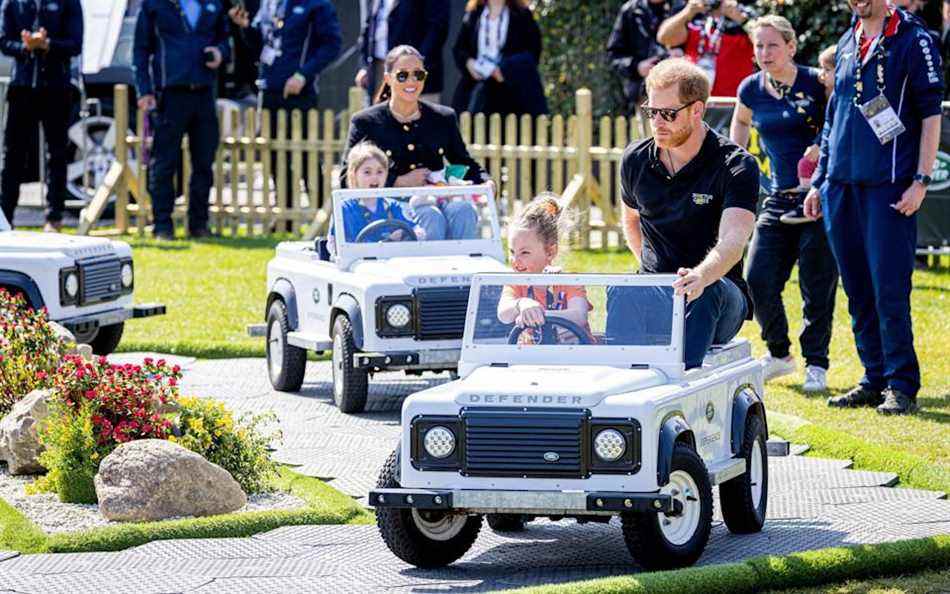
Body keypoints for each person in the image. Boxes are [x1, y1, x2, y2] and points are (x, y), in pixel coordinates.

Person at [804, 0, 943, 415]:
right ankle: (874, 377)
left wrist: (920, 181)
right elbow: (834, 117)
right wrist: (820, 181)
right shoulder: (848, 40)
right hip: (840, 186)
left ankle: (902, 384)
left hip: (889, 187)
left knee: (889, 290)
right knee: (857, 289)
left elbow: (931, 116)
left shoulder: (914, 40)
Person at [615, 58, 758, 369]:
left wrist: (700, 276)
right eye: (652, 112)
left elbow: (734, 242)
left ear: (697, 110)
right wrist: (650, 269)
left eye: (668, 113)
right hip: (659, 289)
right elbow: (631, 219)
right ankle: (617, 381)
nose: (658, 122)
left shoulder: (736, 165)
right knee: (621, 290)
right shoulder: (635, 159)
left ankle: (683, 378)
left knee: (707, 292)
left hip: (718, 292)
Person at [729, 16, 838, 391]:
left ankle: (816, 364)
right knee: (757, 278)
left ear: (791, 47)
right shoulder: (750, 89)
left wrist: (822, 148)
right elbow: (740, 124)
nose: (764, 53)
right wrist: (741, 160)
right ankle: (778, 353)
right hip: (777, 199)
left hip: (818, 198)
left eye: (772, 45)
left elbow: (840, 120)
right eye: (759, 46)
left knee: (816, 284)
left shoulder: (816, 81)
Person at [341, 45, 489, 241]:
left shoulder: (443, 117)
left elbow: (463, 162)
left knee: (463, 210)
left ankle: (464, 270)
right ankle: (428, 272)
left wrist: (486, 181)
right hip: (390, 205)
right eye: (402, 75)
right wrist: (397, 181)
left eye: (418, 75)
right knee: (430, 217)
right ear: (388, 78)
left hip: (438, 196)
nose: (411, 81)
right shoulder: (366, 122)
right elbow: (346, 176)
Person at [228, 0, 342, 232]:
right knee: (272, 155)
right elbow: (260, 44)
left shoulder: (316, 4)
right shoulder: (268, 4)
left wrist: (303, 75)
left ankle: (325, 215)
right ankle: (286, 214)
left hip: (299, 92)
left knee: (304, 156)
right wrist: (245, 27)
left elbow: (331, 45)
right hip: (268, 88)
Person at [133, 0, 231, 240]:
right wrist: (144, 90)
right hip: (169, 94)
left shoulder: (213, 4)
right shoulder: (154, 5)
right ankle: (163, 225)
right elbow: (140, 49)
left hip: (204, 93)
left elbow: (226, 40)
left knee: (203, 163)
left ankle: (199, 225)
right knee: (164, 163)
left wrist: (220, 52)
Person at [0, 0, 83, 232]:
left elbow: (75, 44)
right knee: (13, 155)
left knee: (56, 154)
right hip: (22, 86)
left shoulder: (68, 3)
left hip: (56, 86)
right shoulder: (13, 3)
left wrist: (48, 44)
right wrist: (25, 46)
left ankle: (54, 217)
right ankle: (5, 218)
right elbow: (4, 41)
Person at [497, 193, 593, 344]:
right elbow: (503, 313)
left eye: (525, 253)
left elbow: (579, 315)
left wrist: (538, 315)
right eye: (512, 252)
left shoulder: (568, 281)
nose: (515, 260)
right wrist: (522, 304)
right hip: (533, 358)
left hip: (574, 356)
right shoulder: (515, 282)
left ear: (550, 252)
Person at [451, 0, 547, 118]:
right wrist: (469, 63)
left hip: (512, 91)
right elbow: (459, 48)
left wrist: (505, 69)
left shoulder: (522, 14)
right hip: (476, 86)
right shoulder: (474, 13)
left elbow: (533, 52)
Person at [356, 0, 449, 104]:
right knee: (380, 116)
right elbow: (369, 26)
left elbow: (437, 28)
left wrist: (417, 65)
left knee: (420, 117)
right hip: (379, 69)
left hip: (417, 74)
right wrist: (364, 66)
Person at [656, 0, 755, 98]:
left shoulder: (745, 9)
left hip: (732, 98)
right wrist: (687, 13)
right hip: (694, 97)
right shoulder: (693, 10)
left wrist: (741, 19)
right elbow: (665, 38)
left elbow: (762, 41)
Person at [332, 141, 422, 247]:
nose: (374, 177)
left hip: (393, 260)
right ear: (354, 175)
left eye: (380, 172)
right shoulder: (345, 208)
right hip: (359, 262)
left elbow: (417, 231)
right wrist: (386, 242)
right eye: (367, 172)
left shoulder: (393, 206)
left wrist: (405, 234)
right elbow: (345, 245)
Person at [607, 0, 678, 114]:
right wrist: (637, 67)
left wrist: (680, 56)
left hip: (679, 93)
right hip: (644, 93)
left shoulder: (682, 7)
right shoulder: (630, 10)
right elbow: (614, 55)